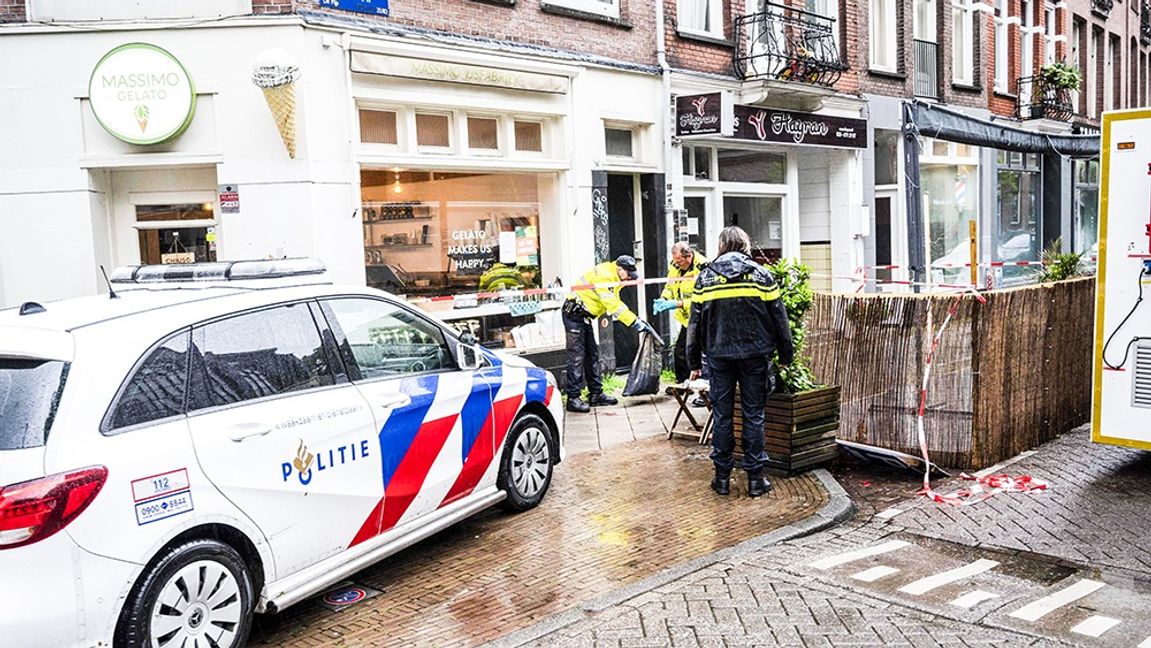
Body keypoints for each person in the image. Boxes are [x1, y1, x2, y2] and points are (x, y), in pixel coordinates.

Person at [687, 226, 794, 498]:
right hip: (755, 356)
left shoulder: (705, 278)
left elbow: (694, 324)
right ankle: (756, 480)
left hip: (719, 357)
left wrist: (693, 360)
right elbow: (779, 319)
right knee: (754, 415)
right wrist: (785, 355)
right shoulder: (762, 276)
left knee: (722, 415)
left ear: (721, 245)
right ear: (745, 244)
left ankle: (722, 478)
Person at [563, 254, 657, 413]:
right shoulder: (605, 275)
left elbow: (616, 302)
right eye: (628, 276)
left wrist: (634, 318)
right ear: (620, 269)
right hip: (574, 315)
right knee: (577, 357)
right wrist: (634, 322)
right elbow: (612, 304)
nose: (628, 280)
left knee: (592, 355)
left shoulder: (615, 277)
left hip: (583, 317)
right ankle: (573, 398)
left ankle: (596, 394)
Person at [652, 242, 709, 386]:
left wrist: (677, 303)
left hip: (701, 317)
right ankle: (683, 385)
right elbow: (670, 286)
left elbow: (705, 298)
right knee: (680, 352)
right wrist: (664, 299)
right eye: (675, 261)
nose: (677, 264)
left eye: (679, 261)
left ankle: (702, 385)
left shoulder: (703, 267)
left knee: (700, 353)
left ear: (688, 257)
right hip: (686, 318)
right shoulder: (674, 265)